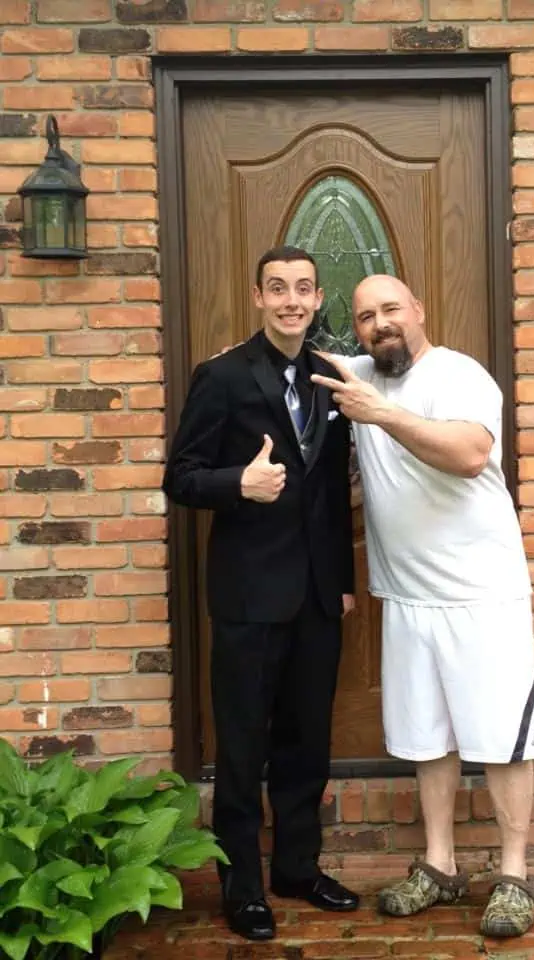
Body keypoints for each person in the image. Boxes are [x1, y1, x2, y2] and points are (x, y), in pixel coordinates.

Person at [310, 273, 534, 939]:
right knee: (428, 738)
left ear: (418, 308)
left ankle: (512, 874)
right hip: (407, 596)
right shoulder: (357, 372)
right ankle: (440, 866)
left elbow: (471, 455)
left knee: (502, 739)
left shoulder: (459, 375)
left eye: (391, 309)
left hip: (483, 593)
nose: (380, 324)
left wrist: (379, 415)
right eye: (364, 317)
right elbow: (276, 351)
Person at [162, 246, 359, 942]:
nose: (291, 301)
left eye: (303, 289)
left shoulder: (329, 378)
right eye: (277, 289)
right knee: (243, 748)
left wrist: (339, 581)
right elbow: (180, 477)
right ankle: (243, 887)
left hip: (314, 598)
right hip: (248, 597)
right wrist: (236, 486)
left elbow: (332, 492)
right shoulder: (220, 376)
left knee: (308, 742)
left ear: (316, 298)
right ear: (257, 296)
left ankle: (298, 870)